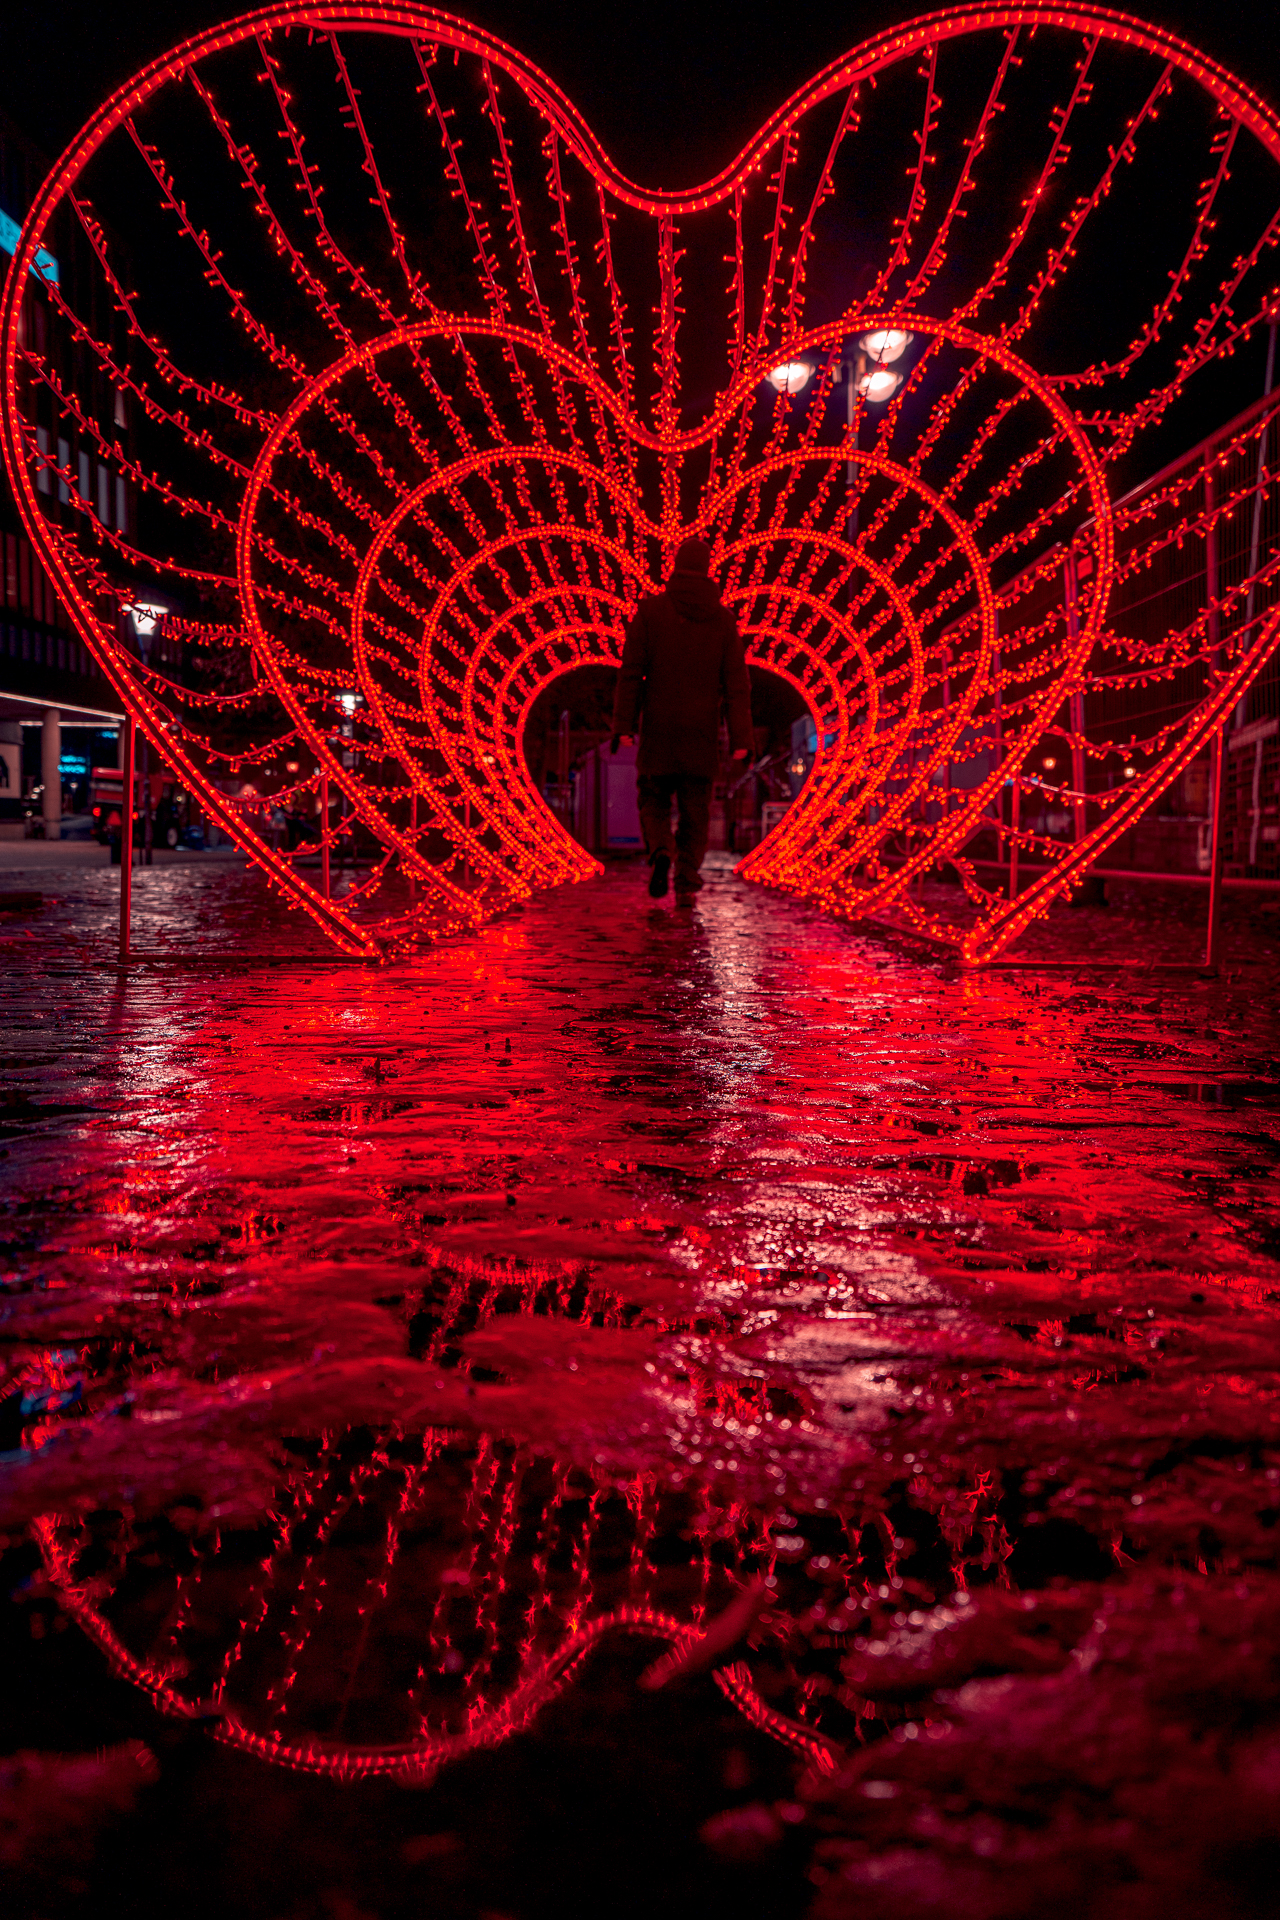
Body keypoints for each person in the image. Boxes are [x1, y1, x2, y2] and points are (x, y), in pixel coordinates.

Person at [611, 536, 752, 904]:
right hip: (701, 732)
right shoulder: (723, 620)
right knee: (695, 809)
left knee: (653, 799)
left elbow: (631, 673)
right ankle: (687, 876)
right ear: (707, 570)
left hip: (658, 726)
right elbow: (736, 683)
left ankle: (660, 851)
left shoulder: (650, 612)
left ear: (676, 565)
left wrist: (624, 725)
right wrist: (741, 739)